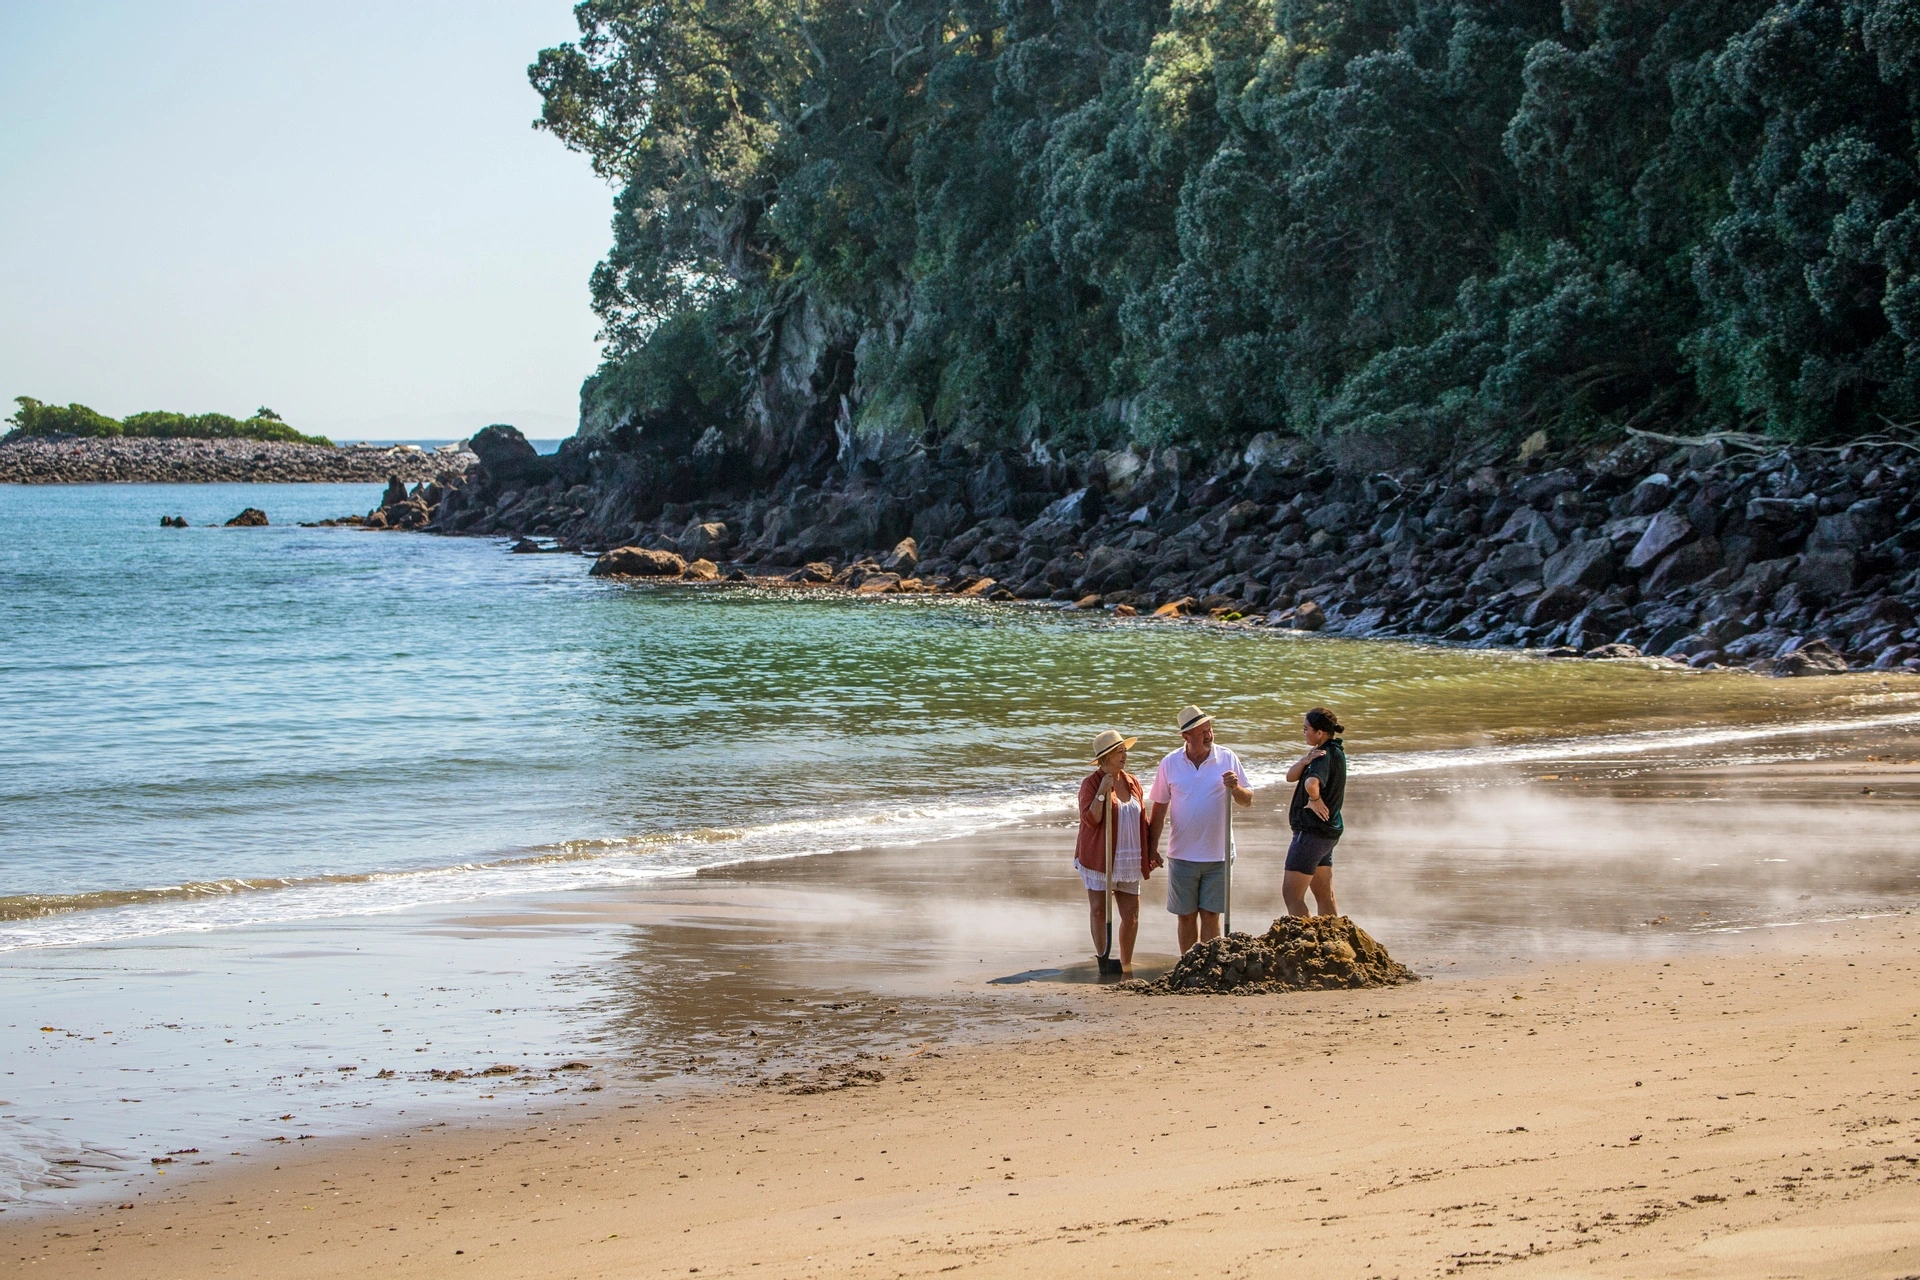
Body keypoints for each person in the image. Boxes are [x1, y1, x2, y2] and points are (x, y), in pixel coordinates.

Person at [1146, 705, 1252, 953]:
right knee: (1185, 916)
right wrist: (1152, 848)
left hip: (1219, 854)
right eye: (1202, 731)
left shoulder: (1227, 757)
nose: (1209, 735)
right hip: (1182, 854)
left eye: (1209, 729)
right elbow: (1159, 809)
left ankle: (1209, 965)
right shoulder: (1170, 763)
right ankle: (1188, 965)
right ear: (1186, 736)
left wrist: (1235, 788)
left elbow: (1247, 800)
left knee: (1211, 915)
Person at [1075, 730, 1156, 972]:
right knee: (1099, 910)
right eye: (1120, 751)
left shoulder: (1132, 781)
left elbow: (1143, 818)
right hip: (1100, 856)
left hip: (1129, 855)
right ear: (1107, 756)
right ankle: (1103, 959)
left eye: (1125, 751)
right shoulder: (1090, 784)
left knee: (1131, 915)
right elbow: (1091, 820)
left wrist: (1151, 850)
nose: (1124, 755)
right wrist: (1102, 790)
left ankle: (1125, 962)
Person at [1283, 706, 1347, 917]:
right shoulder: (1334, 751)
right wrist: (1304, 760)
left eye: (1306, 729)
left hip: (1310, 834)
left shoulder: (1323, 755)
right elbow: (1290, 777)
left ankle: (1303, 944)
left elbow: (1311, 783)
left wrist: (1315, 799)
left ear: (1320, 733)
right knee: (1324, 895)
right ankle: (1334, 941)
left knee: (1292, 895)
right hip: (1326, 833)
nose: (1303, 732)